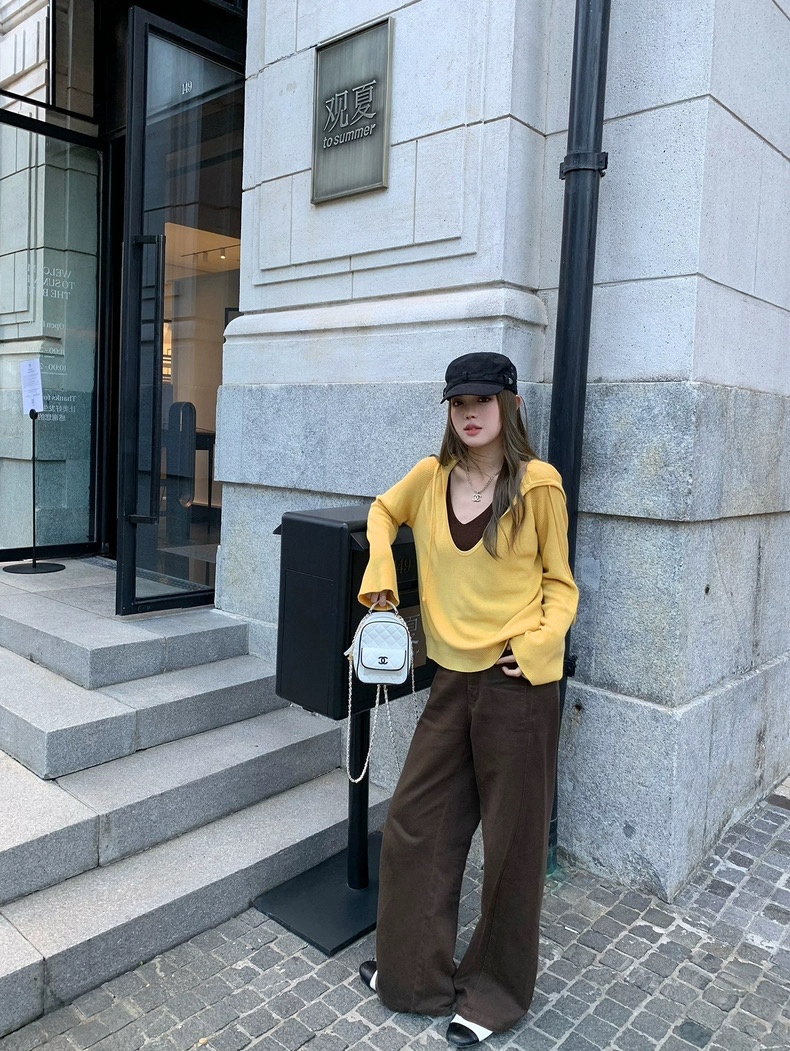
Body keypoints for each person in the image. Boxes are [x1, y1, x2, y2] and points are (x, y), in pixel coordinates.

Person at [355, 351, 579, 1046]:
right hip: (451, 681)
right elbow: (381, 511)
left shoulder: (538, 484)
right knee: (414, 825)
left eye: (483, 400)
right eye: (459, 402)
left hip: (517, 685)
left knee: (512, 844)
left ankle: (495, 994)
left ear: (510, 406)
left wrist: (537, 646)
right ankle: (412, 974)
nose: (470, 412)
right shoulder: (430, 477)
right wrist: (382, 565)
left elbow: (561, 585)